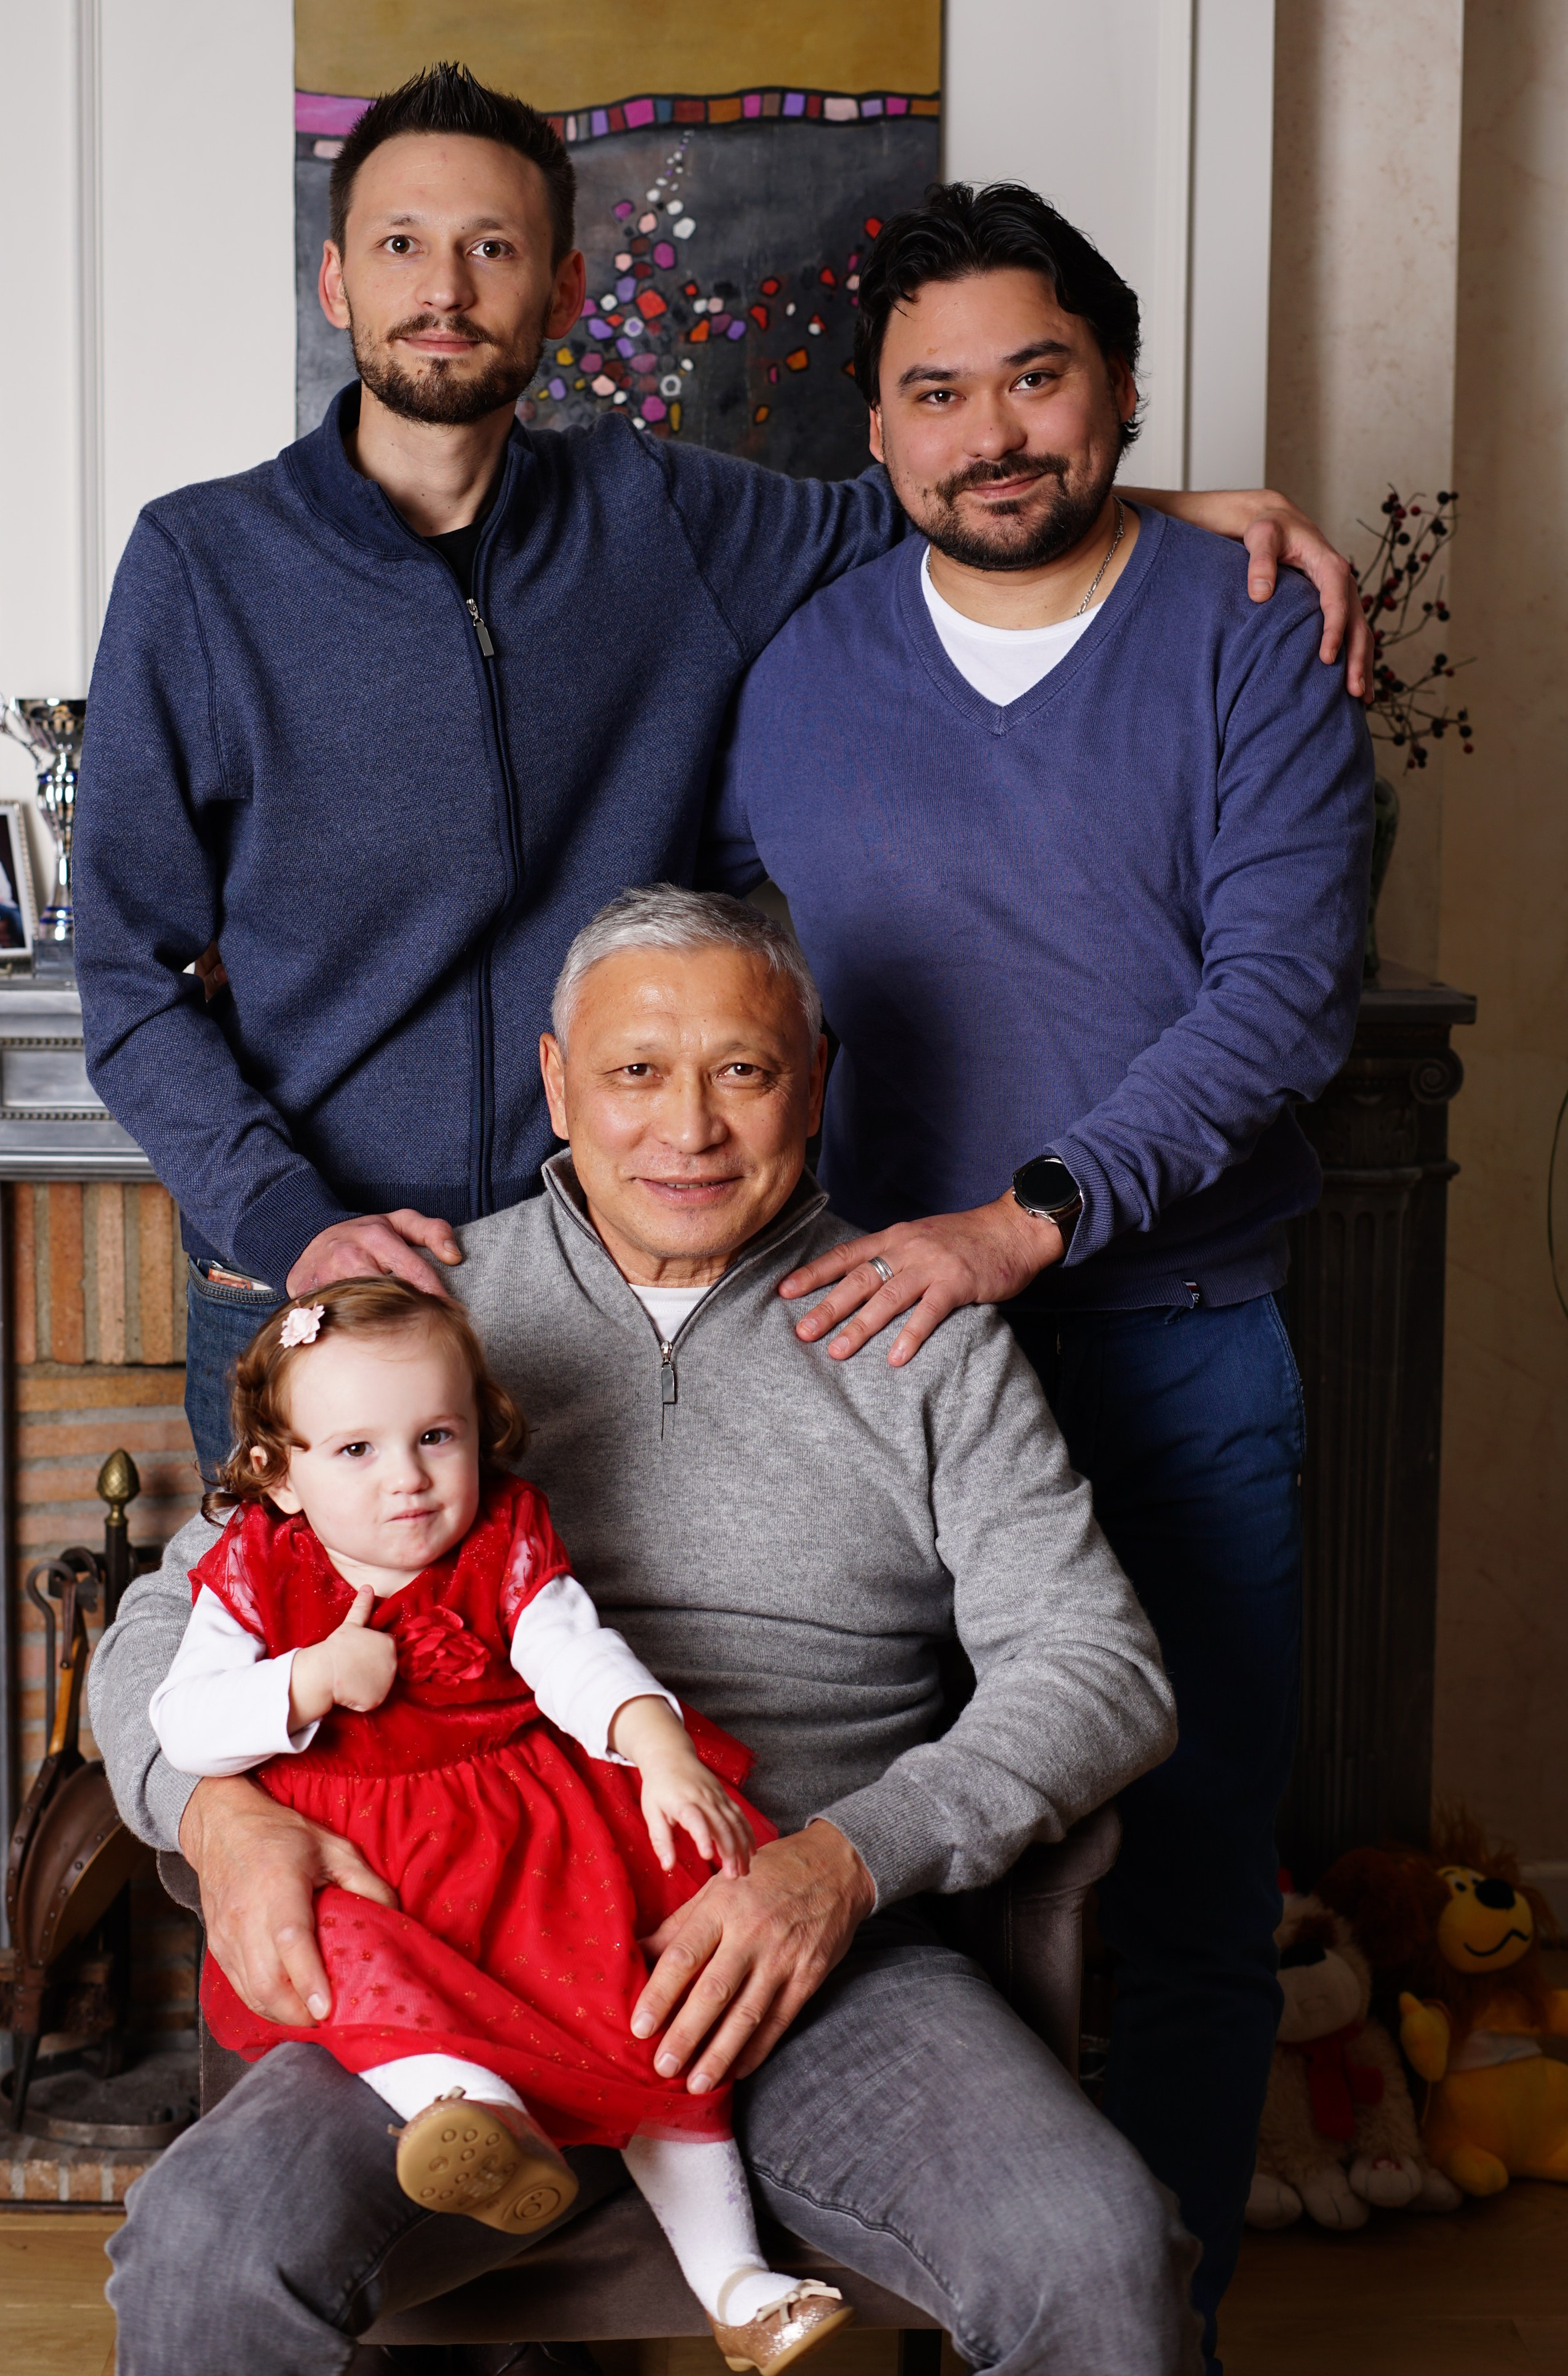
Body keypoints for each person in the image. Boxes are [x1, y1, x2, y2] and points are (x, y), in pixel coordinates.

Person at [71, 61, 1371, 1490]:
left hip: (602, 1280)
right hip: (309, 1290)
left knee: (606, 1703)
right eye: (400, 244)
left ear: (561, 290)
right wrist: (285, 1218)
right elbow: (126, 979)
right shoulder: (199, 566)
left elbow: (953, 485)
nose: (444, 286)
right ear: (333, 281)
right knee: (314, 1698)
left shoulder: (662, 515)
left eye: (491, 247)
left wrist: (1168, 513)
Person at [90, 887, 1193, 2375]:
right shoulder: (421, 1325)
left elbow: (1099, 1670)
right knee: (205, 2253)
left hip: (803, 1951)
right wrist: (219, 1820)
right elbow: (163, 1630)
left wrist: (846, 1864)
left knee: (1092, 2249)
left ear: (815, 1076)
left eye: (741, 1069)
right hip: (442, 1960)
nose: (689, 1129)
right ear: (555, 1082)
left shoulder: (923, 1340)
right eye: (634, 1073)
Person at [703, 183, 1374, 2367]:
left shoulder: (1249, 629)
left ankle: (1141, 2320)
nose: (993, 431)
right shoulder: (798, 672)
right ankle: (922, 2297)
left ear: (1123, 390)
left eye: (1037, 375)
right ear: (874, 441)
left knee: (1185, 1881)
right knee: (897, 1866)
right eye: (937, 392)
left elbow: (1280, 997)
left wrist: (1032, 1214)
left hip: (1176, 1350)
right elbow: (755, 1005)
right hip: (871, 1385)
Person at [153, 1273, 852, 2375]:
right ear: (277, 1476)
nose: (410, 1480)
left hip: (521, 1847)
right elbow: (184, 1726)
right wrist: (306, 1681)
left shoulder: (504, 1541)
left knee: (655, 2030)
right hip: (373, 1872)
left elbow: (575, 1656)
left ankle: (737, 2283)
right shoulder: (252, 1568)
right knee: (343, 1954)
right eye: (356, 1453)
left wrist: (656, 1746)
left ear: (483, 1430)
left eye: (438, 1435)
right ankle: (467, 2110)